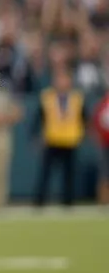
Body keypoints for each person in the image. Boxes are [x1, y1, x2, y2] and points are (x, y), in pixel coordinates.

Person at [32, 64, 87, 208]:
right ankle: (39, 202)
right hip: (52, 139)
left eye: (65, 78)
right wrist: (37, 135)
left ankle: (68, 202)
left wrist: (82, 135)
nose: (62, 82)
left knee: (69, 174)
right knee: (45, 173)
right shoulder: (47, 96)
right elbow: (39, 118)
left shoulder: (77, 97)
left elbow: (83, 118)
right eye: (59, 78)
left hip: (70, 139)